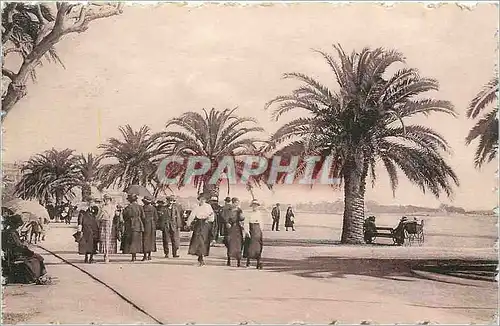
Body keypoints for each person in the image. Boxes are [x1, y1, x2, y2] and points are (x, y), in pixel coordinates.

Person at [2, 214, 50, 284]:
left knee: (36, 257)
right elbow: (19, 247)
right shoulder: (12, 233)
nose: (19, 226)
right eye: (18, 225)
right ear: (16, 224)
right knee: (38, 258)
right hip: (15, 255)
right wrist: (27, 249)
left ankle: (39, 276)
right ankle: (38, 276)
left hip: (9, 254)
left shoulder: (6, 232)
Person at [186, 193, 215, 266]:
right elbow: (192, 215)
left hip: (206, 225)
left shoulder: (208, 206)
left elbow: (212, 216)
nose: (202, 201)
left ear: (205, 200)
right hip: (198, 224)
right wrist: (188, 223)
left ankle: (201, 257)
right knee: (198, 240)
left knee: (204, 241)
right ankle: (200, 258)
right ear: (199, 200)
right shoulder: (196, 207)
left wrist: (208, 219)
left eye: (203, 199)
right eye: (200, 199)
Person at [122, 194, 145, 262]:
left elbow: (124, 217)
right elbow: (143, 216)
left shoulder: (127, 208)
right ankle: (135, 255)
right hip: (138, 225)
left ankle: (133, 256)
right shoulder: (140, 207)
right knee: (136, 241)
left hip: (130, 225)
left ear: (129, 200)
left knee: (131, 241)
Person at [243, 199, 264, 269]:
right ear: (252, 206)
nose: (255, 207)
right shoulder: (249, 214)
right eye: (254, 205)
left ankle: (258, 262)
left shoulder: (259, 213)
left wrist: (260, 231)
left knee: (258, 247)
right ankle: (248, 262)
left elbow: (261, 223)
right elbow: (246, 223)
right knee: (249, 246)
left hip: (257, 232)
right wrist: (247, 231)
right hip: (251, 230)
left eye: (256, 206)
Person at [226, 197, 245, 267]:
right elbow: (226, 218)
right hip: (230, 228)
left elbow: (242, 218)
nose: (237, 204)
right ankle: (229, 260)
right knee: (230, 243)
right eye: (236, 203)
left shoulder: (239, 210)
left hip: (237, 228)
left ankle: (238, 261)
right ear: (233, 203)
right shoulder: (229, 210)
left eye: (237, 203)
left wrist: (241, 215)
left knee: (238, 244)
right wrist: (227, 223)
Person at [98, 194, 117, 263]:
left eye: (108, 199)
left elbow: (111, 216)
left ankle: (107, 254)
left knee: (108, 239)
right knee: (104, 239)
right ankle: (105, 254)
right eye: (105, 199)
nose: (106, 201)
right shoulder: (103, 207)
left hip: (109, 223)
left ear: (110, 200)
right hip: (104, 223)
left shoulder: (112, 207)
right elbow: (99, 216)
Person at [141, 195, 158, 261]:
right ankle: (149, 255)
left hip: (144, 224)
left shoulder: (142, 208)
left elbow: (141, 217)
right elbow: (156, 218)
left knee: (145, 239)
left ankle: (145, 255)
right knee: (151, 239)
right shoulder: (153, 208)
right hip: (152, 225)